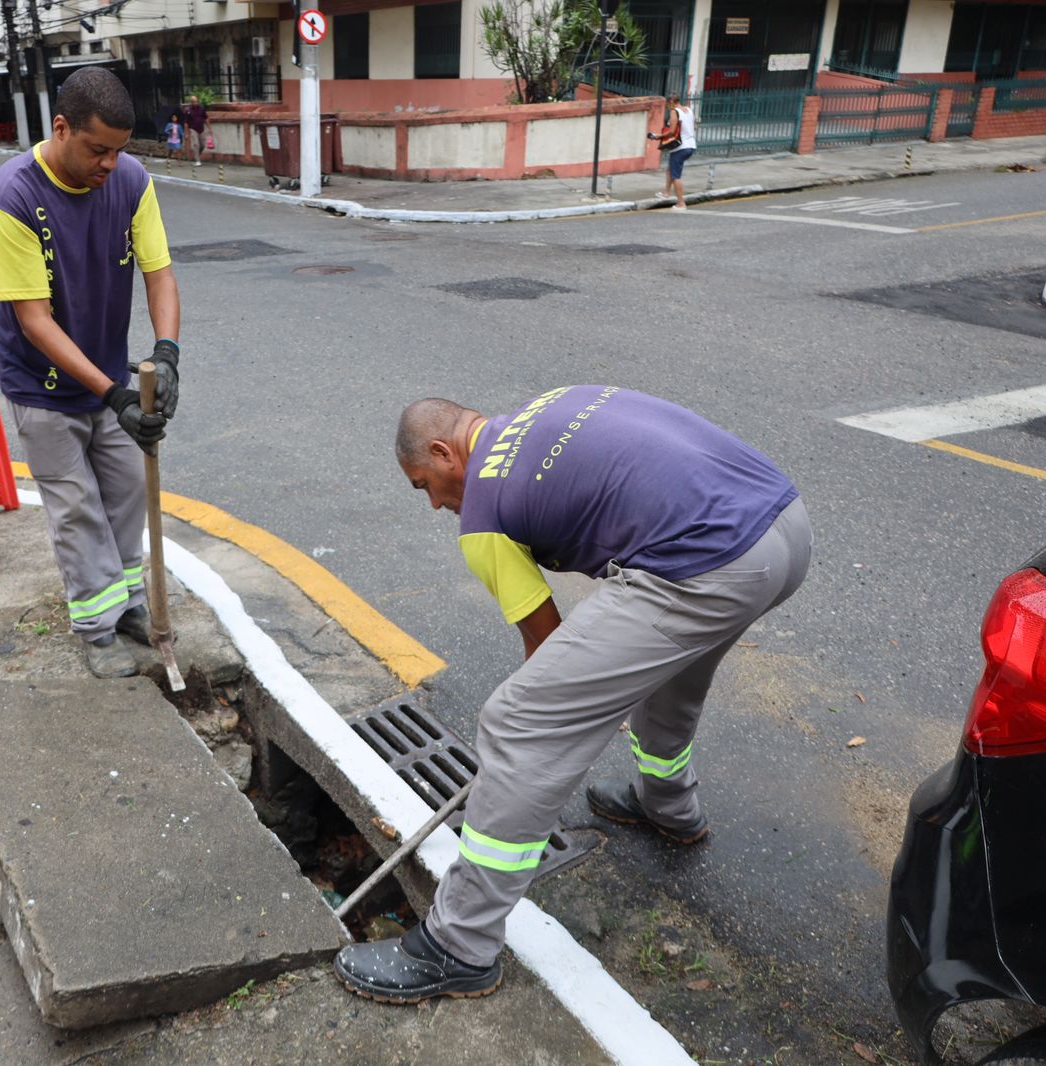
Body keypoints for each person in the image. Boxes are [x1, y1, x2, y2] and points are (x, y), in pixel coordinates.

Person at [334, 386, 811, 1003]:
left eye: (424, 484)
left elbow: (547, 644)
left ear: (443, 452)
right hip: (781, 528)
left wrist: (554, 732)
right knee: (671, 671)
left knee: (518, 721)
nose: (433, 504)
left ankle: (458, 946)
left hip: (709, 559)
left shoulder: (482, 510)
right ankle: (669, 807)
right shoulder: (550, 405)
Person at [0, 67, 181, 679]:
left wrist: (167, 352)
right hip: (43, 388)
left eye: (120, 151)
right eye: (98, 150)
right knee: (76, 508)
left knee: (125, 494)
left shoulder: (132, 182)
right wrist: (113, 392)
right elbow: (35, 322)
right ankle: (97, 630)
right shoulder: (11, 196)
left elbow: (159, 273)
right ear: (61, 128)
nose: (110, 165)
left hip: (105, 376)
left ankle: (126, 608)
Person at [650, 93, 696, 210]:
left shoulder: (674, 111)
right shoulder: (689, 110)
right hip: (691, 145)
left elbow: (671, 132)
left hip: (680, 147)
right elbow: (694, 126)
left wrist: (657, 136)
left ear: (671, 102)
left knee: (676, 176)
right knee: (670, 170)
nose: (666, 107)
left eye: (667, 104)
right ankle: (666, 193)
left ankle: (681, 203)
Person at [181, 94, 207, 166]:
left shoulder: (202, 109)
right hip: (193, 129)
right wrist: (186, 133)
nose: (195, 103)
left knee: (202, 145)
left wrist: (210, 128)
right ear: (191, 103)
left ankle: (197, 155)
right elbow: (186, 123)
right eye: (193, 102)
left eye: (196, 101)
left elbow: (206, 118)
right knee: (196, 144)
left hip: (201, 128)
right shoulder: (188, 110)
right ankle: (197, 160)